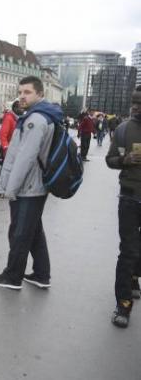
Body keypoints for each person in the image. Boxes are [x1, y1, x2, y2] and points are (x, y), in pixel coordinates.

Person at [0, 76, 63, 290]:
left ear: (40, 94)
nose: (22, 95)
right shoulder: (42, 116)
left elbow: (24, 158)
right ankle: (41, 274)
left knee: (19, 233)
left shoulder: (35, 120)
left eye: (27, 92)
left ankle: (12, 276)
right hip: (35, 185)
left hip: (28, 187)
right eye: (20, 92)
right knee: (33, 231)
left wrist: (9, 190)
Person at [105, 85, 141, 328]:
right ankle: (123, 304)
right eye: (134, 102)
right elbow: (109, 160)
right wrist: (125, 160)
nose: (136, 106)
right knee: (128, 250)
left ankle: (134, 279)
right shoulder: (123, 129)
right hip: (129, 197)